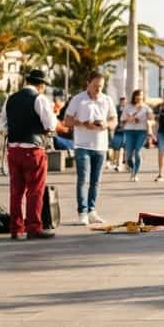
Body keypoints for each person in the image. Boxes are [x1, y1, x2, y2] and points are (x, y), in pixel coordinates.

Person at [0, 69, 57, 240]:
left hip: (13, 149)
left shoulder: (10, 99)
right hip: (33, 149)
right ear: (40, 85)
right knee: (34, 191)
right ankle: (33, 227)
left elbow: (2, 125)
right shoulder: (39, 99)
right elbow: (50, 124)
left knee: (16, 191)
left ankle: (16, 229)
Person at [63, 72, 117, 225]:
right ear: (88, 83)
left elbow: (114, 120)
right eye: (95, 86)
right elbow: (67, 120)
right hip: (82, 146)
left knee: (96, 181)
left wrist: (106, 125)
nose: (98, 89)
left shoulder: (107, 99)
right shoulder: (78, 99)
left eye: (101, 86)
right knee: (83, 180)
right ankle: (83, 212)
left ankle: (92, 211)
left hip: (101, 146)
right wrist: (83, 123)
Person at [120, 90, 152, 182]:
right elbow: (122, 119)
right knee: (129, 155)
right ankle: (132, 168)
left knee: (137, 152)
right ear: (134, 96)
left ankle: (135, 173)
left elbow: (151, 118)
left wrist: (150, 117)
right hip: (129, 131)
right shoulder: (128, 107)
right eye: (137, 95)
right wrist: (130, 118)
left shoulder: (146, 107)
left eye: (141, 95)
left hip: (141, 132)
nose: (139, 97)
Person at [109, 96, 128, 172]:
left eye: (124, 101)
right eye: (122, 101)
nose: (123, 103)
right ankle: (119, 164)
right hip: (118, 131)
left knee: (125, 149)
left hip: (126, 131)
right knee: (118, 148)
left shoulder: (128, 109)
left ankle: (126, 164)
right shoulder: (116, 109)